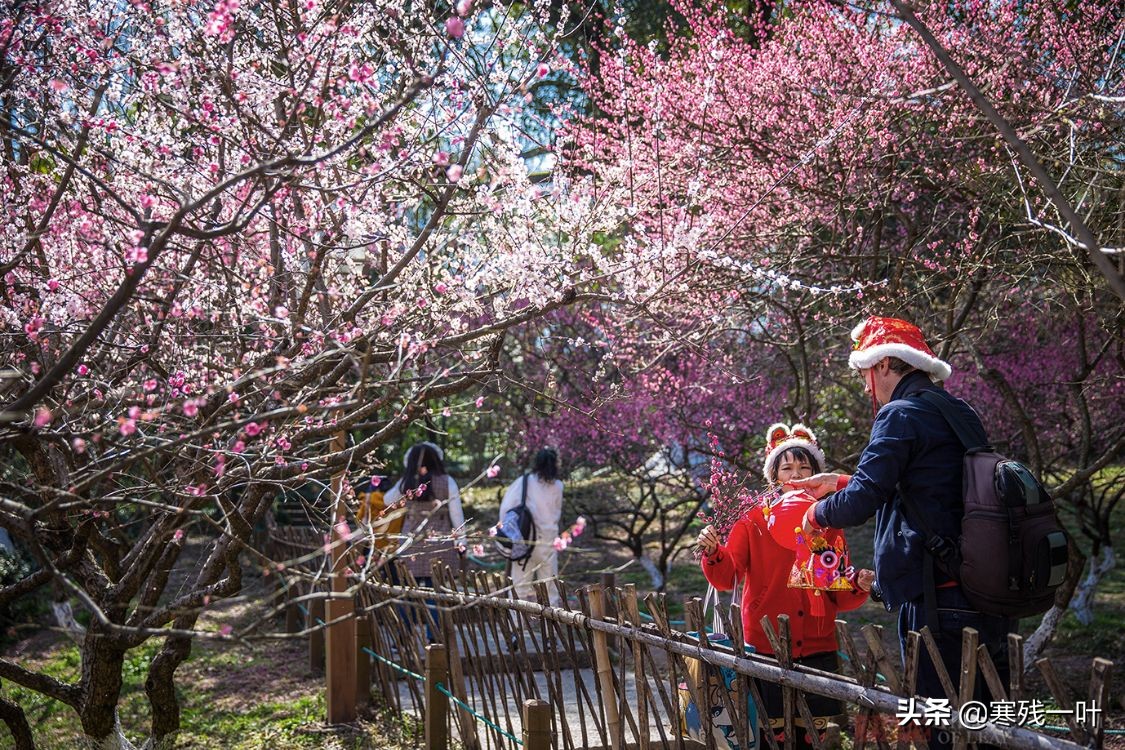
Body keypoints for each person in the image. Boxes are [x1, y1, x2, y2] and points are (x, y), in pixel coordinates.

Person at [794, 316, 1011, 750]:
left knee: (941, 727)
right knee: (985, 725)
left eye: (863, 373)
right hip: (980, 588)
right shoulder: (956, 410)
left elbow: (863, 501)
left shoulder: (899, 414)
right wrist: (839, 482)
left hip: (937, 598)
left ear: (885, 364)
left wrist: (816, 514)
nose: (863, 384)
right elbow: (924, 483)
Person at [697, 423, 873, 749]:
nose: (795, 474)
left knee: (814, 737)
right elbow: (727, 577)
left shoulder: (828, 521)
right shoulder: (753, 518)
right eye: (787, 467)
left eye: (804, 468)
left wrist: (858, 585)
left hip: (818, 643)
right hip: (767, 643)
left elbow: (834, 587)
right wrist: (713, 552)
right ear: (773, 475)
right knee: (770, 734)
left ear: (816, 476)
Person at [383, 442, 465, 587]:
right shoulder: (447, 481)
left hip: (411, 542)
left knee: (409, 588)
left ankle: (411, 610)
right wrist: (462, 543)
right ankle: (433, 609)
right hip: (438, 542)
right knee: (435, 589)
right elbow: (457, 514)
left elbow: (387, 500)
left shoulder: (406, 482)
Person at [498, 448, 564, 608]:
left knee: (519, 588)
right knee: (550, 590)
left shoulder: (524, 481)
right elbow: (556, 514)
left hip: (524, 541)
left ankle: (517, 628)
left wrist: (510, 533)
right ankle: (551, 629)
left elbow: (506, 508)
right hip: (548, 543)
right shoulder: (558, 486)